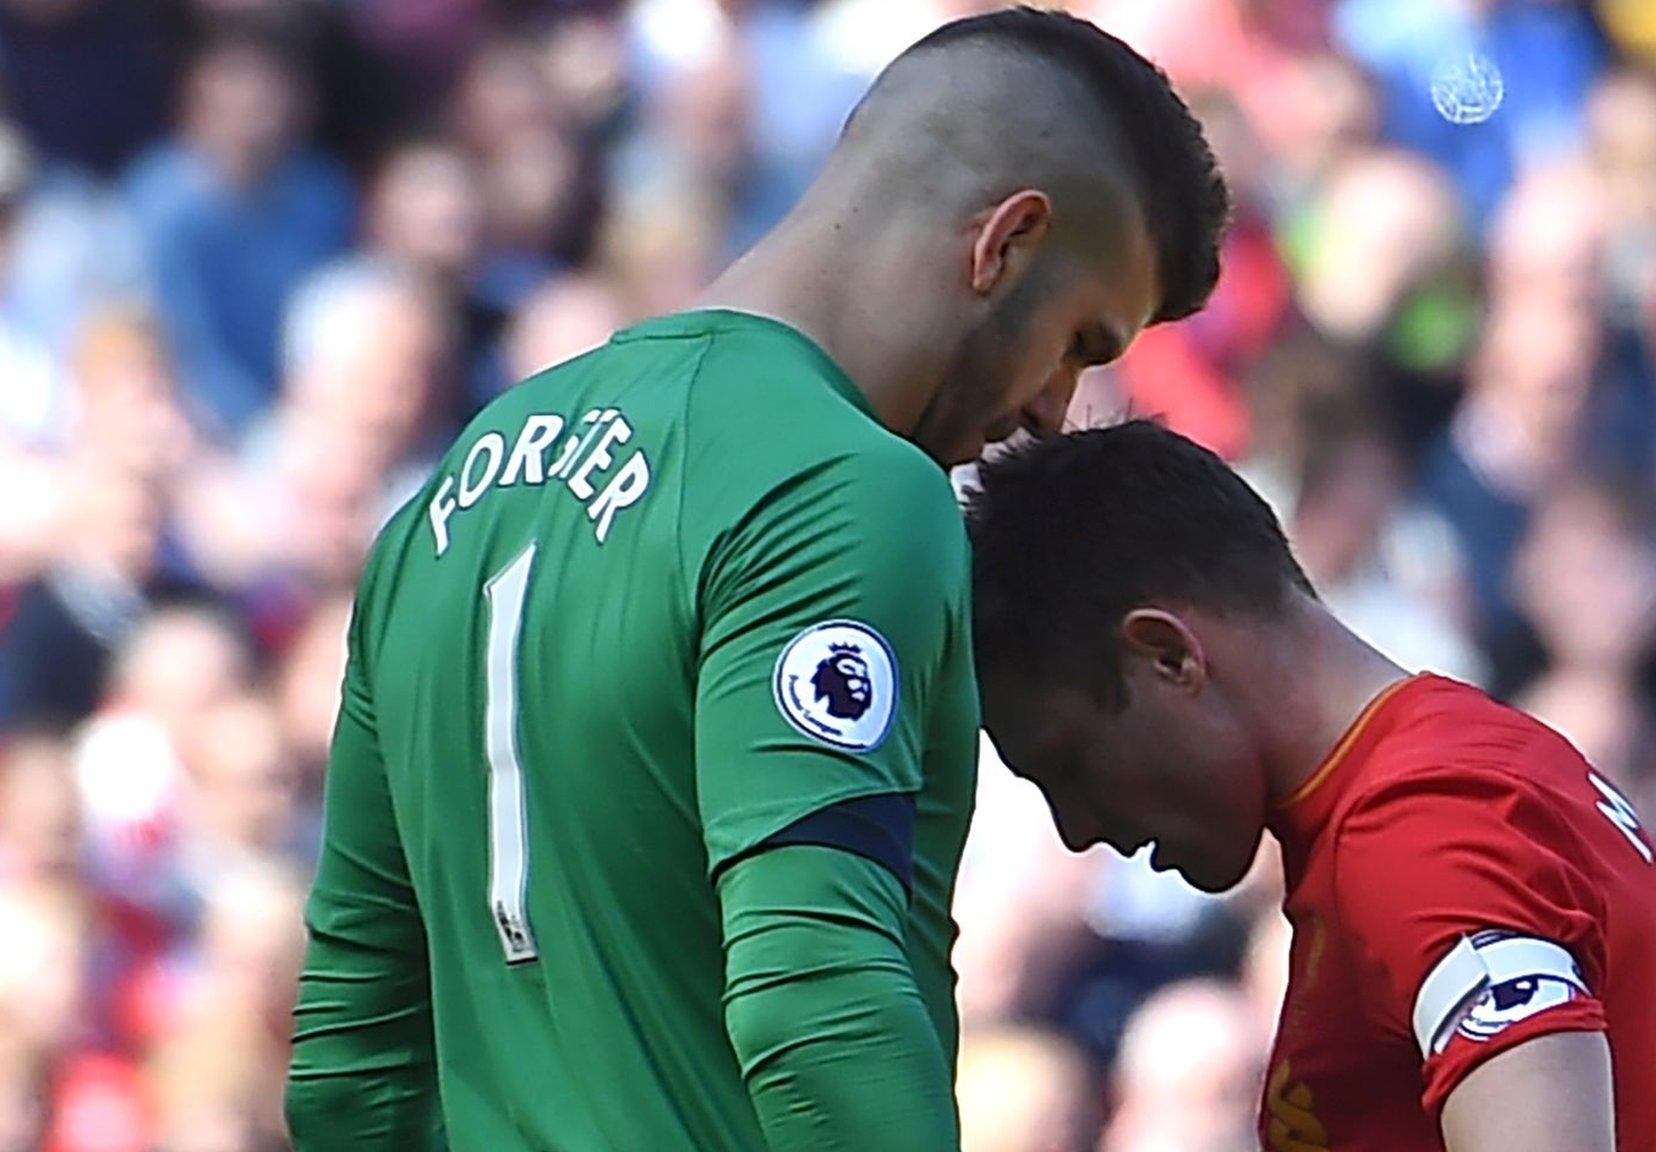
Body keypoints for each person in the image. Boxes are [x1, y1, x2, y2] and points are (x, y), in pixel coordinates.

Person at [284, 8, 1226, 1151]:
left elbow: (351, 1059)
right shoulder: (845, 487)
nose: (1050, 409)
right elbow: (814, 999)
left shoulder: (454, 492)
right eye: (1079, 340)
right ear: (1006, 243)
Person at [965, 421, 1656, 1152]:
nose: (1078, 827)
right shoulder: (1474, 771)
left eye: (1073, 762)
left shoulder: (1428, 828)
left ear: (1168, 657)